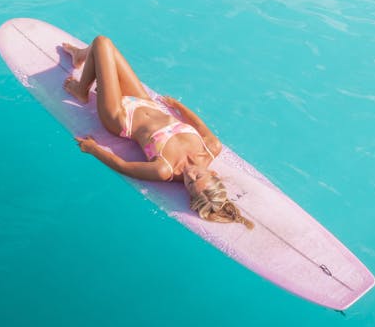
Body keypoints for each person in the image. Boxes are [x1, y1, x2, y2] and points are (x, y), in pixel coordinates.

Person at [62, 35, 253, 229]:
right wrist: (178, 106)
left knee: (102, 43)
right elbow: (198, 123)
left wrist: (93, 149)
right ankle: (80, 56)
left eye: (189, 184)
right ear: (213, 173)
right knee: (105, 46)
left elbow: (123, 166)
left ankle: (80, 90)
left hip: (119, 118)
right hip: (143, 101)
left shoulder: (165, 170)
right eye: (198, 177)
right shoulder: (212, 147)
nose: (190, 176)